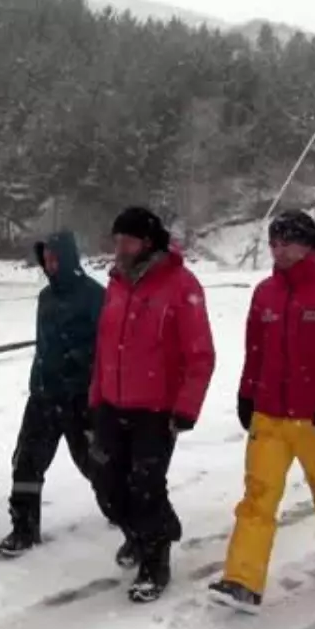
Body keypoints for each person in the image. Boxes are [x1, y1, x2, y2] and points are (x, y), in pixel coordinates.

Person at [208, 209, 315, 613]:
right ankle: (242, 581)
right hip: (269, 416)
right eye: (274, 242)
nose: (279, 250)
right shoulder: (264, 293)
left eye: (288, 242)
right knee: (257, 498)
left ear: (309, 245)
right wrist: (246, 394)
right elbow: (255, 351)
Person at [88, 206, 217, 603]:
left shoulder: (180, 285)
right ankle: (144, 530)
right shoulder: (115, 284)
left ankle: (154, 559)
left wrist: (186, 408)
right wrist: (95, 399)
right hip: (112, 403)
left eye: (126, 240)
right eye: (116, 240)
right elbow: (104, 348)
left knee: (145, 486)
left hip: (157, 409)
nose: (119, 247)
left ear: (147, 243)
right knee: (106, 483)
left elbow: (200, 355)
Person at [0, 230, 108, 558]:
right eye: (46, 259)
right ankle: (24, 529)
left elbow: (103, 346)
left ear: (69, 258)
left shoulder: (94, 296)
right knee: (27, 461)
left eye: (55, 258)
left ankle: (124, 514)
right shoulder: (45, 297)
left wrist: (77, 362)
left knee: (94, 464)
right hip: (43, 394)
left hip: (78, 397)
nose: (50, 264)